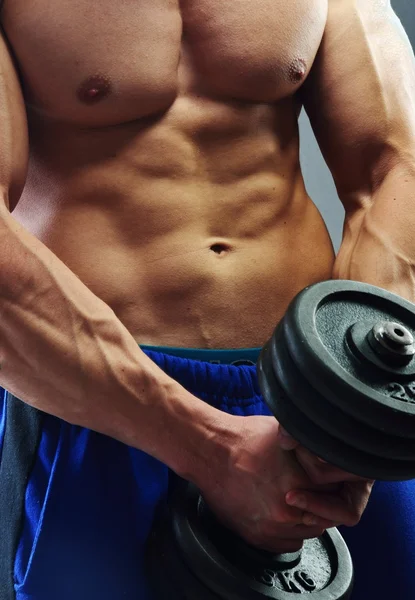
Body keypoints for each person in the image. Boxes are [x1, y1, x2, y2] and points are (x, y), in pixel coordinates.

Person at [0, 0, 413, 598]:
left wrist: (350, 409)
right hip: (101, 396)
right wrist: (207, 449)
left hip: (320, 391)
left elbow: (395, 166)